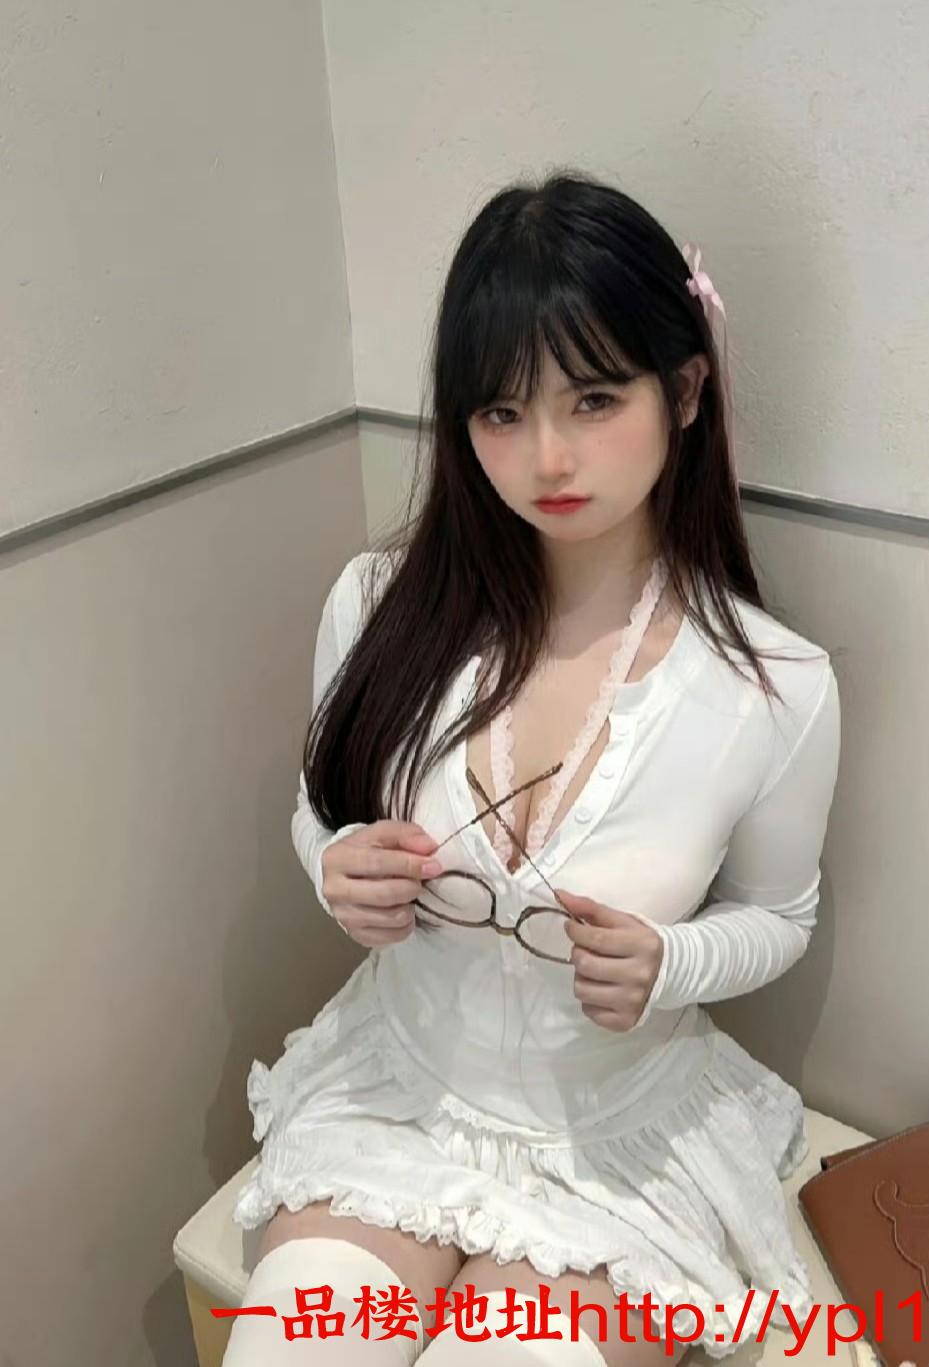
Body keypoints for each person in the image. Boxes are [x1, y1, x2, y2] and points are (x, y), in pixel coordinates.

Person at [222, 169, 841, 1367]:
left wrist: (673, 960)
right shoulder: (375, 604)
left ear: (686, 390)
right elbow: (321, 803)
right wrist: (335, 862)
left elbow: (783, 912)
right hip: (395, 1096)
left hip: (614, 1146)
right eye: (501, 412)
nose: (547, 455)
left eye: (593, 398)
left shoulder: (774, 686)